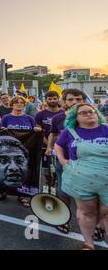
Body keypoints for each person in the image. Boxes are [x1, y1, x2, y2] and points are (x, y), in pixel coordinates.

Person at [55, 103, 108, 250]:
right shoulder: (69, 132)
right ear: (75, 118)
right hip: (81, 181)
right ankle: (89, 244)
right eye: (84, 113)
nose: (89, 114)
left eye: (92, 111)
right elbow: (58, 145)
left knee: (107, 214)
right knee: (87, 212)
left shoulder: (106, 129)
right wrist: (62, 160)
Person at [45, 88, 86, 234]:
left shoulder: (92, 116)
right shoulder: (58, 118)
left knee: (88, 194)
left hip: (87, 163)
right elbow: (53, 134)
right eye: (70, 99)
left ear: (84, 101)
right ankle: (64, 218)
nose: (74, 102)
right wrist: (49, 147)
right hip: (64, 161)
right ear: (64, 102)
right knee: (63, 191)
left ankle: (95, 226)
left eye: (78, 99)